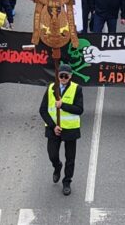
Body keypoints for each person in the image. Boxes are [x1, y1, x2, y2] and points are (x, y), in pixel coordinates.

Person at [41, 63, 84, 196]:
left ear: (70, 76)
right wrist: (53, 127)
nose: (64, 78)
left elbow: (79, 110)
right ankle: (57, 166)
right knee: (52, 154)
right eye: (61, 76)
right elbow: (42, 110)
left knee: (70, 158)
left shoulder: (77, 89)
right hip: (54, 129)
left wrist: (63, 105)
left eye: (66, 76)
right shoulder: (50, 88)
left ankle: (67, 182)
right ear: (58, 76)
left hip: (70, 129)